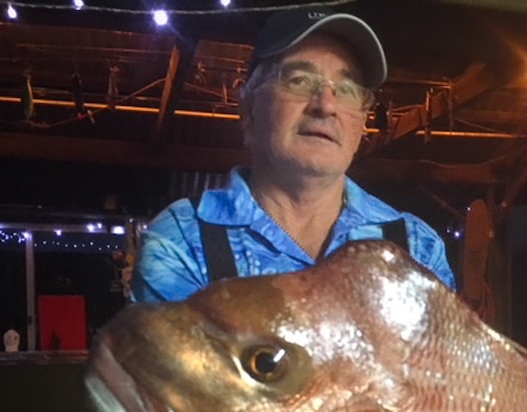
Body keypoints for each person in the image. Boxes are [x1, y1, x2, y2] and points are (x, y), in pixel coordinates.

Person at [130, 7, 455, 303]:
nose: (326, 105)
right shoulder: (185, 238)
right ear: (249, 108)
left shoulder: (416, 245)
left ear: (362, 122)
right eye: (299, 80)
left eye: (347, 89)